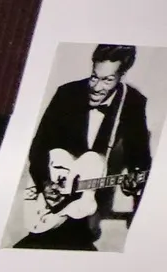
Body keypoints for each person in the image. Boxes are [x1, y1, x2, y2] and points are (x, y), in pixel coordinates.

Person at [15, 44, 150, 251]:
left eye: (107, 80)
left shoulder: (132, 102)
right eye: (94, 77)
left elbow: (139, 155)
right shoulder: (67, 93)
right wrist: (45, 183)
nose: (96, 87)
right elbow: (39, 146)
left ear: (121, 75)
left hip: (86, 209)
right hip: (50, 198)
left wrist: (134, 179)